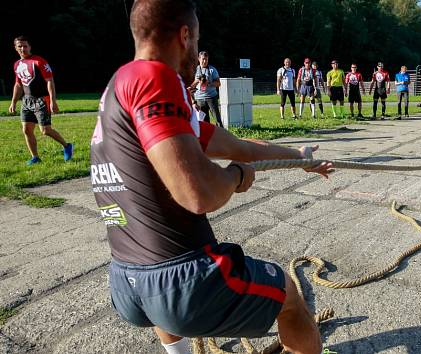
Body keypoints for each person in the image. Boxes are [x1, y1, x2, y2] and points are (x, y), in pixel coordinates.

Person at [90, 1, 332, 354]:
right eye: (197, 37)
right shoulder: (154, 77)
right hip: (182, 281)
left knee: (166, 316)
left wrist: (299, 158)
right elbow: (198, 193)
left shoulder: (119, 88)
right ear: (185, 36)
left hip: (127, 283)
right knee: (290, 298)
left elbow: (236, 145)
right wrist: (235, 176)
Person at [9, 36, 73, 165]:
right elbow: (18, 85)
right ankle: (35, 157)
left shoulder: (39, 61)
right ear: (16, 48)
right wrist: (13, 102)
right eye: (20, 46)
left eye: (25, 46)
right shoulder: (17, 64)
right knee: (26, 129)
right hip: (26, 100)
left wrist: (53, 101)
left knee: (45, 130)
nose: (23, 48)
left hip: (41, 99)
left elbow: (50, 81)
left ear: (30, 47)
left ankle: (67, 146)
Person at [188, 51, 223, 127]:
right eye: (203, 59)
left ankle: (223, 137)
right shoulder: (194, 70)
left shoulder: (212, 70)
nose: (205, 61)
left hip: (211, 98)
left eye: (206, 59)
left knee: (218, 120)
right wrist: (197, 81)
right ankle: (208, 138)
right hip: (199, 99)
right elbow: (190, 87)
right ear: (199, 59)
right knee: (204, 122)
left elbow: (218, 83)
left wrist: (209, 83)